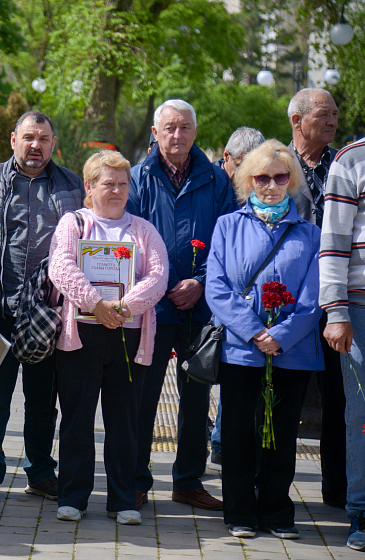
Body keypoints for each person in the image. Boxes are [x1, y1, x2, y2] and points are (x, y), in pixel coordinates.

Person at [206, 139, 321, 539]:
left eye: (279, 176)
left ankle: (275, 510)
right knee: (238, 432)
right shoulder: (227, 226)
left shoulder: (310, 234)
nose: (271, 184)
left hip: (291, 352)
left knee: (281, 433)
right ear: (247, 182)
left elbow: (314, 295)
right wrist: (256, 331)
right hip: (242, 349)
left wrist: (282, 335)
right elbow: (217, 289)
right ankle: (239, 511)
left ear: (290, 181)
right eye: (261, 177)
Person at [0, 110, 84, 503]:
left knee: (41, 401)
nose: (36, 146)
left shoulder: (71, 184)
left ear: (54, 144)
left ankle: (39, 472)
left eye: (44, 139)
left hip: (47, 313)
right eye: (29, 137)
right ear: (14, 139)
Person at [49, 150, 168, 525]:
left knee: (124, 420)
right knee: (77, 418)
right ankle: (72, 496)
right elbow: (61, 266)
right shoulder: (75, 224)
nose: (116, 190)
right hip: (81, 335)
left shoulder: (143, 230)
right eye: (107, 183)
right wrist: (96, 304)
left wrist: (124, 307)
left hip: (128, 336)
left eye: (122, 184)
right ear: (89, 186)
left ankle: (122, 499)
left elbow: (158, 275)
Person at [128, 99, 235, 511]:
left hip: (200, 308)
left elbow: (227, 238)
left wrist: (201, 283)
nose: (177, 135)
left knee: (196, 397)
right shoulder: (137, 178)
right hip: (152, 308)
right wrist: (168, 283)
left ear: (195, 131)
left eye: (185, 127)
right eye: (169, 128)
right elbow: (130, 236)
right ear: (155, 133)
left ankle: (188, 480)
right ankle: (136, 479)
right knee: (143, 397)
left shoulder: (216, 179)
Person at [287, 88, 347, 509]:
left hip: (333, 299)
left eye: (335, 114)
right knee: (281, 396)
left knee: (338, 398)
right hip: (285, 301)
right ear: (297, 120)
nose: (332, 121)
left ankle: (338, 490)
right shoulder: (273, 164)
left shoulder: (345, 164)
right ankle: (271, 489)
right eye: (324, 114)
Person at [208, 125, 265, 472]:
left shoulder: (255, 190)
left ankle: (220, 442)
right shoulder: (213, 184)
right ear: (227, 158)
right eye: (244, 163)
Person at [319, 135, 365, 551]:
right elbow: (333, 240)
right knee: (363, 411)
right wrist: (336, 311)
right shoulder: (352, 160)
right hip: (361, 306)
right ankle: (361, 512)